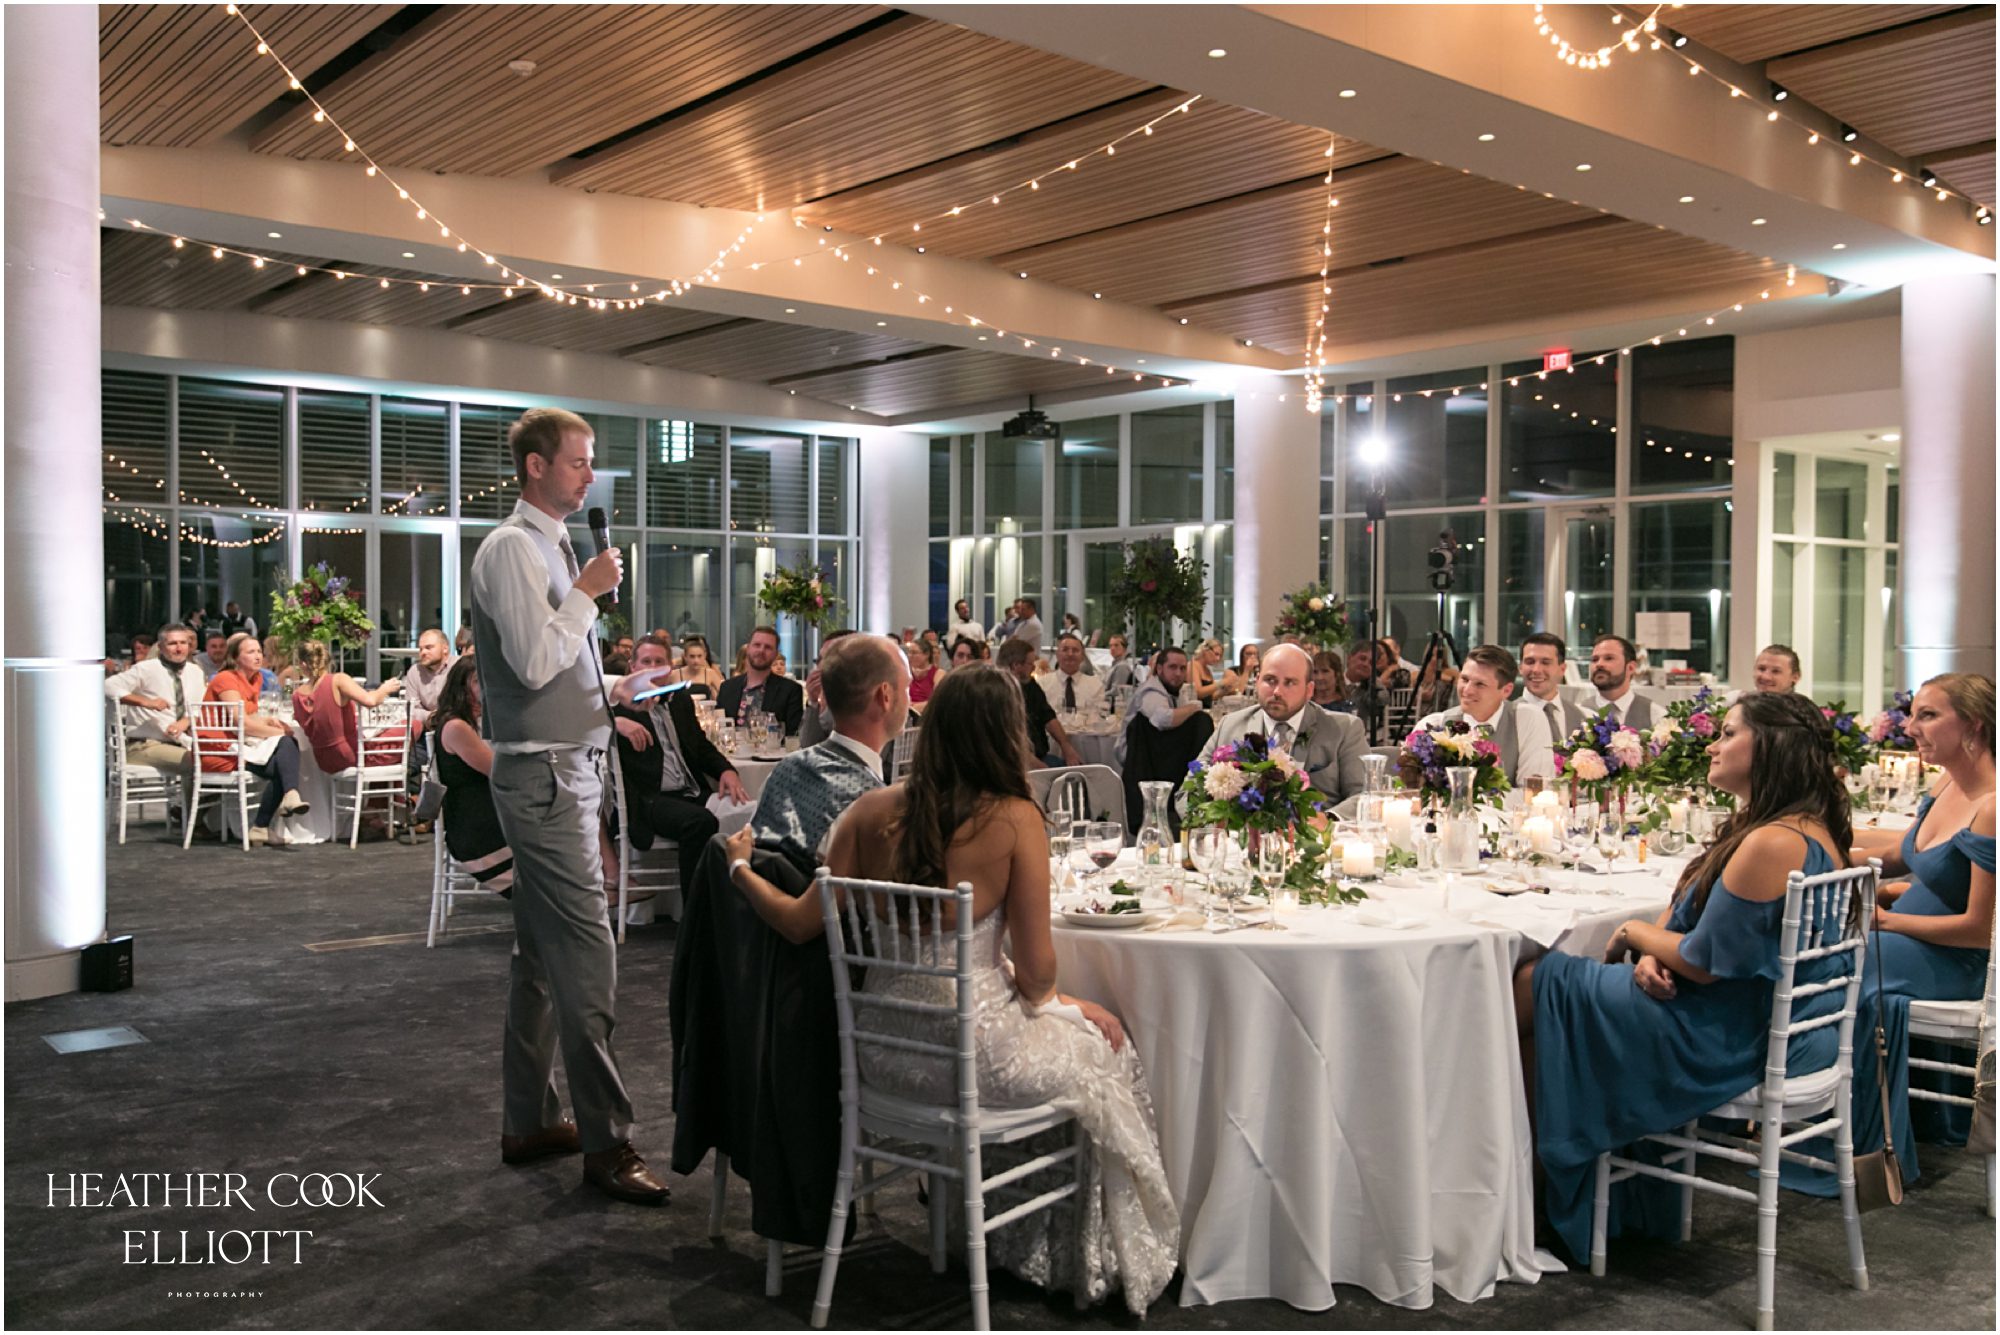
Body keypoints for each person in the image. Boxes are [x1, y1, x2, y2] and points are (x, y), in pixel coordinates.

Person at [725, 666, 1179, 1315]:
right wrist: (1082, 1008)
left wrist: (740, 867)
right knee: (1108, 1049)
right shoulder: (1016, 819)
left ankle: (1011, 1240)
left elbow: (800, 921)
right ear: (1004, 734)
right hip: (975, 1056)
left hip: (881, 1062)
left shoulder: (868, 809)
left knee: (1079, 1041)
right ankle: (1074, 1255)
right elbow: (1040, 978)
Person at [1514, 692, 1856, 1263]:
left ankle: (1539, 1189)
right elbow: (1689, 924)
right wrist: (1654, 949)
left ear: (1768, 746)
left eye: (1727, 733)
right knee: (1557, 983)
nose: (1713, 744)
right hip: (1749, 1016)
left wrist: (1633, 933)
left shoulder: (1773, 841)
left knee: (1537, 982)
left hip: (1726, 1036)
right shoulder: (1793, 825)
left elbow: (1700, 960)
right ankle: (1554, 1178)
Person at [467, 405, 677, 1207]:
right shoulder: (510, 549)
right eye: (580, 462)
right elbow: (526, 664)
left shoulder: (550, 547)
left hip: (567, 769)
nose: (591, 476)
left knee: (539, 960)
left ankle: (528, 1120)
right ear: (536, 467)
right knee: (589, 956)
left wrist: (615, 689)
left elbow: (558, 665)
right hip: (543, 778)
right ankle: (608, 1140)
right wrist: (588, 593)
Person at [1853, 673, 1995, 1144]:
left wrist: (1887, 919)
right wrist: (1815, 844)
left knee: (1838, 957)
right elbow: (1901, 854)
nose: (1910, 727)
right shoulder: (1943, 786)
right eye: (1912, 715)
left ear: (1973, 725)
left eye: (1928, 715)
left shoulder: (1992, 807)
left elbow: (1980, 930)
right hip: (1905, 942)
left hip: (1959, 961)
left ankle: (1843, 1125)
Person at [730, 632, 909, 872]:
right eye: (907, 688)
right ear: (884, 696)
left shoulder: (784, 770)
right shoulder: (871, 806)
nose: (910, 699)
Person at [610, 637, 751, 891]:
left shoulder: (680, 700)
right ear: (632, 666)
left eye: (659, 662)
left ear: (670, 667)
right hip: (650, 799)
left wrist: (726, 770)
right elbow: (585, 726)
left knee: (749, 812)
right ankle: (696, 916)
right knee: (700, 823)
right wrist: (614, 724)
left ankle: (738, 905)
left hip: (690, 792)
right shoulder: (617, 707)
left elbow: (700, 746)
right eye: (646, 662)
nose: (652, 668)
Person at [1203, 643, 1367, 804]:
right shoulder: (1230, 725)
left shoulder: (1344, 729)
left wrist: (1329, 821)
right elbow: (1186, 793)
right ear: (1258, 682)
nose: (1277, 692)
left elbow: (1365, 795)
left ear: (1309, 690)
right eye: (1270, 680)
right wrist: (1216, 823)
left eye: (1289, 682)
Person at [201, 636, 309, 846]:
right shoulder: (226, 679)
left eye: (259, 651)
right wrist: (276, 733)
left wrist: (267, 720)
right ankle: (276, 810)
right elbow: (241, 724)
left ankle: (266, 821)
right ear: (235, 657)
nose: (258, 656)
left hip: (239, 745)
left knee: (285, 757)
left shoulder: (257, 678)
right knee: (286, 748)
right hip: (220, 750)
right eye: (250, 652)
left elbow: (249, 716)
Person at [429, 656, 515, 893]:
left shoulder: (473, 722)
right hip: (478, 829)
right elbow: (498, 771)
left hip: (487, 815)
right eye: (479, 681)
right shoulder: (456, 727)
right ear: (462, 688)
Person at [104, 622, 207, 817]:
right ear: (160, 647)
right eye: (173, 643)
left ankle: (197, 816)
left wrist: (185, 722)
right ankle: (194, 819)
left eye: (183, 643)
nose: (179, 648)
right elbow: (108, 686)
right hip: (145, 745)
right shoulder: (145, 669)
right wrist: (144, 702)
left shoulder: (195, 672)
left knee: (222, 761)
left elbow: (199, 706)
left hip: (181, 741)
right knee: (199, 761)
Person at [1415, 644, 1556, 784]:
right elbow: (1409, 792)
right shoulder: (1433, 726)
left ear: (1506, 691)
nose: (1467, 690)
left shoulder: (1527, 720)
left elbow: (1534, 791)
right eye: (1464, 679)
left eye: (1480, 684)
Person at [291, 640, 404, 776]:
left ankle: (382, 796)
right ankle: (399, 793)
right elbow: (371, 700)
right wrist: (385, 689)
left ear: (302, 664)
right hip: (350, 754)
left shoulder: (297, 695)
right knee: (413, 726)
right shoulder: (338, 680)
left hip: (323, 760)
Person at [998, 638, 1081, 768]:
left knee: (1079, 770)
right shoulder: (998, 694)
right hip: (1013, 764)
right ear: (1016, 665)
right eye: (1030, 664)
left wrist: (1066, 746)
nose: (1033, 668)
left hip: (1039, 756)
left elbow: (1047, 716)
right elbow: (1012, 745)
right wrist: (1044, 770)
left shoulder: (1030, 684)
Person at [716, 625, 805, 736]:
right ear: (748, 648)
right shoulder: (727, 688)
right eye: (757, 645)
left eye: (768, 647)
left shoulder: (791, 690)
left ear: (775, 654)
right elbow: (719, 728)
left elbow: (793, 736)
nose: (761, 650)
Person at [1519, 631, 1586, 742]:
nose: (1536, 670)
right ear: (1520, 668)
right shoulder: (1505, 717)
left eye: (1545, 662)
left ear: (1562, 669)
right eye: (1530, 662)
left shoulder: (1584, 717)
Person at [1580, 633, 1655, 729]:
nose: (1599, 664)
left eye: (1609, 658)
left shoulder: (1654, 715)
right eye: (1595, 659)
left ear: (1631, 668)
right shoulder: (1578, 712)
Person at [1036, 632, 1105, 717]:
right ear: (1057, 655)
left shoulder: (1095, 685)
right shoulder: (1042, 684)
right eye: (1065, 650)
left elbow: (1100, 718)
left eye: (1075, 650)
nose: (1070, 654)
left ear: (1082, 656)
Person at [1189, 638, 1243, 704]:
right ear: (1205, 650)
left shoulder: (1207, 670)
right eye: (1216, 654)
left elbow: (1212, 696)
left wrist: (1226, 689)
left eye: (1220, 656)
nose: (1218, 659)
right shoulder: (1193, 665)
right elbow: (1197, 693)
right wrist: (1224, 681)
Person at [674, 634, 723, 699]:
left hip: (705, 708)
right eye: (692, 656)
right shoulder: (675, 674)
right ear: (685, 656)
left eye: (699, 656)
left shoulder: (710, 673)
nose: (696, 660)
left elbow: (725, 694)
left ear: (705, 655)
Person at [906, 639, 942, 706]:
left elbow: (938, 700)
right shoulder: (906, 672)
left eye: (914, 653)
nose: (910, 656)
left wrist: (913, 706)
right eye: (909, 652)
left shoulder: (938, 673)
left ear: (927, 654)